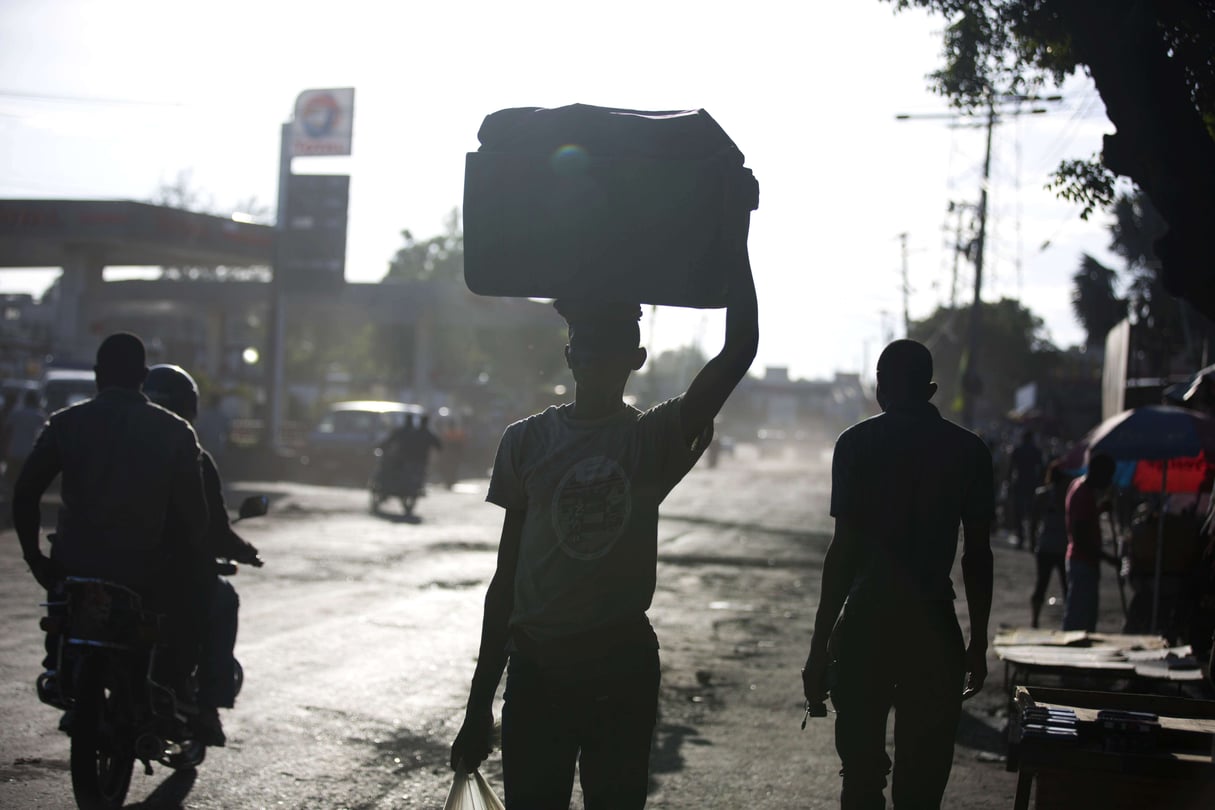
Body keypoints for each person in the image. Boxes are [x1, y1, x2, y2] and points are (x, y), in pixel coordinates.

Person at [449, 254, 757, 807]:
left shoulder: (651, 440)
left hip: (620, 669)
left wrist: (735, 249)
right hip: (537, 671)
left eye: (611, 343)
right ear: (569, 354)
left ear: (635, 357)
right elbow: (506, 582)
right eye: (585, 343)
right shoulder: (525, 443)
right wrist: (479, 708)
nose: (595, 355)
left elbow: (738, 353)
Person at [802, 339, 994, 810]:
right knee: (922, 784)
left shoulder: (856, 444)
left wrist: (818, 646)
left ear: (879, 387)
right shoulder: (969, 451)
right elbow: (977, 555)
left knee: (862, 778)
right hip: (933, 630)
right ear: (930, 389)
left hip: (866, 626)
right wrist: (977, 642)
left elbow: (843, 552)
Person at [11, 334, 210, 720]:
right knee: (187, 617)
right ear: (143, 376)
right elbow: (196, 517)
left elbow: (25, 494)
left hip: (73, 567)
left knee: (65, 614)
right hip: (143, 571)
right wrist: (186, 563)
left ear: (97, 374)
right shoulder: (176, 432)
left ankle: (57, 666)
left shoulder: (65, 424)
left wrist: (35, 557)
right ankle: (178, 691)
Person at [143, 363, 263, 746]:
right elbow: (212, 528)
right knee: (224, 600)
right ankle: (208, 707)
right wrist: (243, 551)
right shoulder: (194, 456)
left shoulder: (115, 444)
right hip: (171, 575)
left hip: (115, 568)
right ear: (189, 409)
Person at [1062, 452, 1118, 632]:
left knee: (1084, 617)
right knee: (1079, 620)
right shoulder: (1082, 494)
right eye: (1107, 476)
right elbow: (1081, 537)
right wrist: (1108, 558)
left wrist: (1100, 509)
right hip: (1082, 562)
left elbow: (1086, 520)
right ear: (1097, 472)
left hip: (1084, 562)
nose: (1109, 482)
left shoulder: (1080, 488)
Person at [1029, 461, 1071, 628]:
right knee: (1065, 587)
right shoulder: (1065, 495)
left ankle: (1035, 620)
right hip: (1060, 546)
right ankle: (1067, 620)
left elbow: (1033, 521)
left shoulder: (1043, 495)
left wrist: (1032, 541)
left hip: (1047, 546)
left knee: (1042, 584)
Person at [2, 389, 46, 501]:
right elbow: (42, 436)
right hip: (29, 452)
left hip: (14, 450)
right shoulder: (39, 416)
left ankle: (9, 499)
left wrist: (6, 449)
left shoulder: (16, 413)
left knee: (11, 477)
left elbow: (8, 432)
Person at [1008, 430, 1044, 549]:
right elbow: (1041, 469)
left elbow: (1011, 468)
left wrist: (1008, 482)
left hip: (1019, 483)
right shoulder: (1036, 451)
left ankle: (1021, 538)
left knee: (1019, 512)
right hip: (1032, 484)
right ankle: (1032, 539)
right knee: (1031, 513)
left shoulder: (1017, 450)